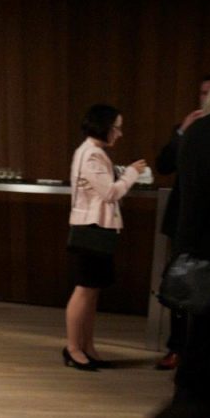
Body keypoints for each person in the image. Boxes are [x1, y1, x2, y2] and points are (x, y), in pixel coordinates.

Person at [89, 104, 210, 418]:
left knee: (198, 387)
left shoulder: (199, 133)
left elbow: (189, 207)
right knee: (201, 390)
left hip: (204, 272)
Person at [63, 104, 146, 370]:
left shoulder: (94, 152)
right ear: (104, 127)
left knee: (92, 292)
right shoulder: (91, 154)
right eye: (117, 128)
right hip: (90, 228)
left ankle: (87, 346)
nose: (119, 133)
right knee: (84, 290)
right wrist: (132, 173)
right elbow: (110, 193)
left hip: (97, 228)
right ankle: (73, 348)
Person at [154, 73, 210, 372]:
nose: (206, 98)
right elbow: (164, 165)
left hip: (207, 225)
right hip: (184, 219)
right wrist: (182, 132)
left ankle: (197, 354)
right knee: (184, 283)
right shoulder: (189, 128)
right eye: (202, 93)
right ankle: (176, 347)